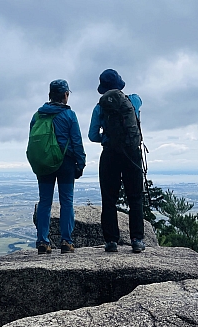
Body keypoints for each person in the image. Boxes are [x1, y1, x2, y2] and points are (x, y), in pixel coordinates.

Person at [88, 69, 145, 253]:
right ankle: (137, 240)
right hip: (131, 153)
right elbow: (138, 105)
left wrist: (107, 138)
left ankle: (111, 241)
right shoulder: (133, 100)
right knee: (135, 197)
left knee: (109, 198)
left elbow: (92, 135)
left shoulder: (99, 107)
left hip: (110, 154)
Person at [30, 79, 86, 254]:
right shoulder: (69, 115)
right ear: (65, 95)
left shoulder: (38, 115)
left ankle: (42, 241)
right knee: (66, 201)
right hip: (65, 163)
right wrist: (81, 163)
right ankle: (66, 242)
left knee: (44, 202)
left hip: (44, 164)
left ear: (50, 95)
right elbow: (77, 141)